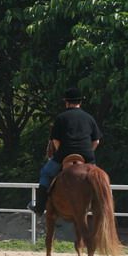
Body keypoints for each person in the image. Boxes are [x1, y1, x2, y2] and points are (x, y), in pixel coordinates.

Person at [27, 87, 102, 215]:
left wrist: (60, 152)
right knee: (99, 179)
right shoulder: (89, 118)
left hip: (64, 154)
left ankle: (39, 207)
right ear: (80, 102)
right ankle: (103, 204)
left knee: (45, 173)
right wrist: (89, 151)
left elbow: (55, 140)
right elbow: (97, 141)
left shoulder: (61, 118)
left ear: (66, 102)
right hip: (87, 155)